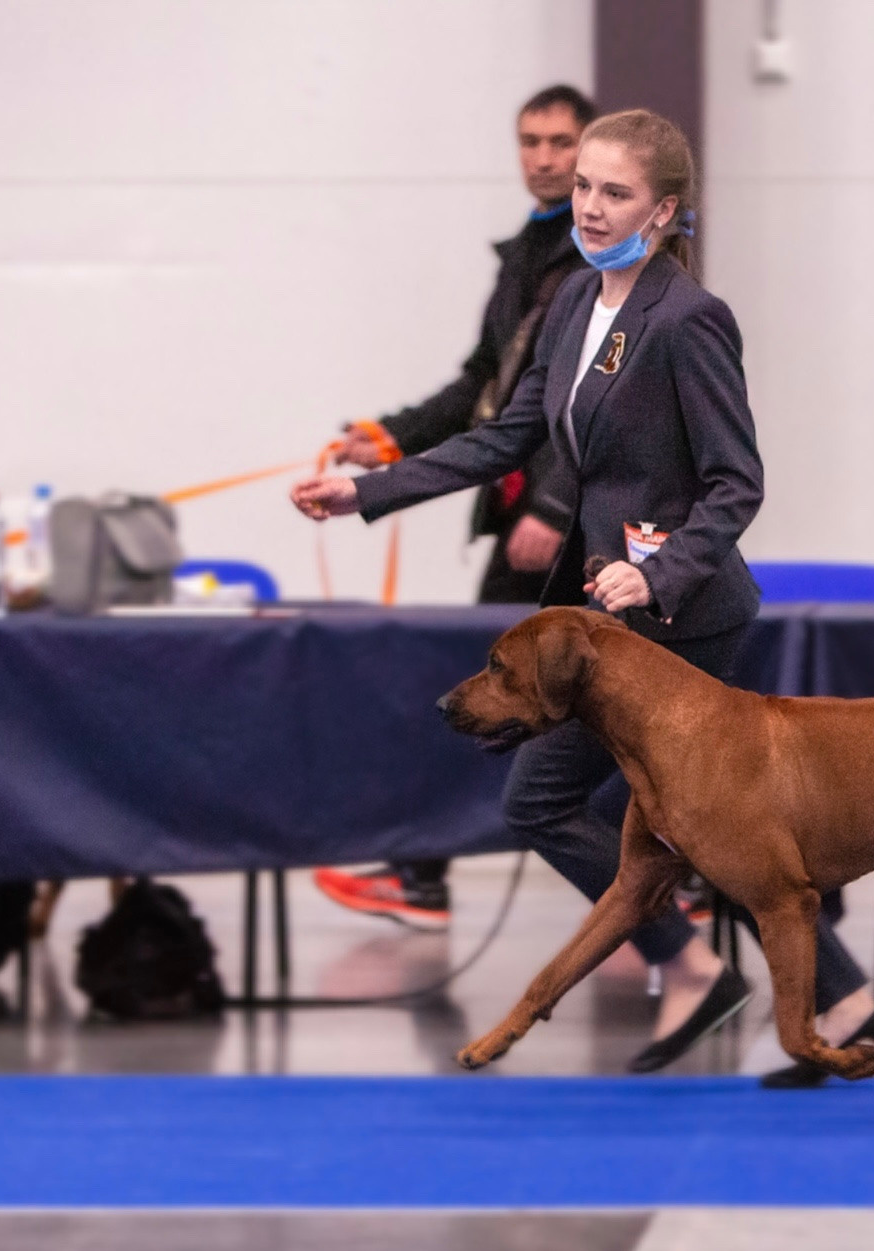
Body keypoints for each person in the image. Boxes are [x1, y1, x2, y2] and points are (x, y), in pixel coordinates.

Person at [293, 110, 874, 1080]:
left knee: (574, 801)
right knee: (696, 821)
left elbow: (737, 483)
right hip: (610, 622)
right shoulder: (572, 301)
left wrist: (658, 571)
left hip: (683, 620)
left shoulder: (690, 319)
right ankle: (821, 987)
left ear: (662, 213)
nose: (592, 206)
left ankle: (700, 968)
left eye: (616, 193)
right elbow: (506, 438)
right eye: (584, 186)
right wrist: (369, 490)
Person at [313, 85, 597, 932]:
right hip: (520, 525)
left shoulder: (598, 262)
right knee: (504, 701)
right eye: (529, 141)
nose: (543, 157)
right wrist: (390, 439)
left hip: (567, 532)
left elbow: (594, 405)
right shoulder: (527, 255)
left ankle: (424, 873)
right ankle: (426, 872)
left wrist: (553, 502)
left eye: (560, 142)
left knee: (509, 701)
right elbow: (487, 382)